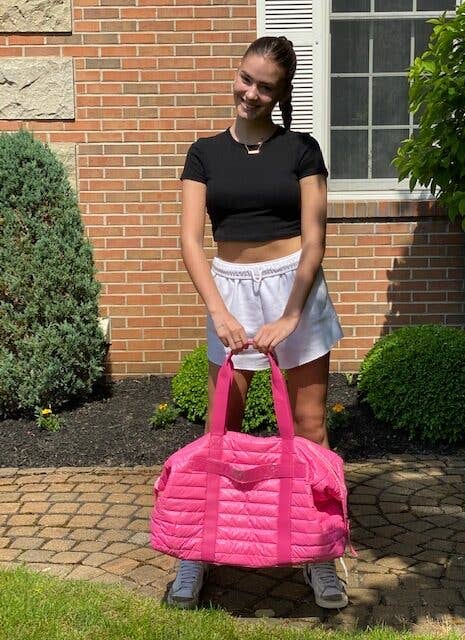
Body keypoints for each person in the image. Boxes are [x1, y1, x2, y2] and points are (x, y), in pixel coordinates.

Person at [168, 36, 347, 611]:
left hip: (295, 287)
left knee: (311, 427)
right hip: (230, 293)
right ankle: (196, 551)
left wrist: (291, 313)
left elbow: (315, 239)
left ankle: (319, 552)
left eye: (265, 87)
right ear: (237, 73)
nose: (250, 93)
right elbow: (190, 240)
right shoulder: (204, 153)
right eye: (246, 78)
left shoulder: (302, 150)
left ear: (280, 93)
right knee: (220, 427)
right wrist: (218, 310)